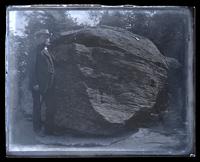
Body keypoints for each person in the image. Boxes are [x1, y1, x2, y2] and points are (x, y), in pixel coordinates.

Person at [29, 29, 56, 135]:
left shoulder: (46, 49)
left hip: (49, 84)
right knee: (37, 108)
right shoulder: (35, 50)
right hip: (38, 85)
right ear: (39, 38)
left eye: (48, 36)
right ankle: (37, 129)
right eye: (45, 37)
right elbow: (31, 68)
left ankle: (48, 130)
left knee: (50, 106)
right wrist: (34, 83)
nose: (47, 39)